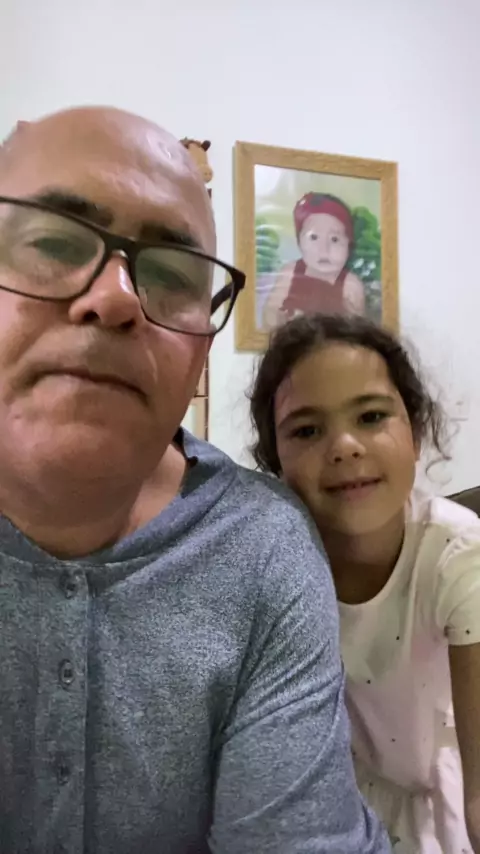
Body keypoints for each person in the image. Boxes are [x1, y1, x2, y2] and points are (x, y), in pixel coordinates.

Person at [0, 107, 391, 853]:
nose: (115, 296)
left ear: (202, 353)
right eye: (53, 242)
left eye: (173, 275)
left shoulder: (263, 551)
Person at [249, 311, 480, 853]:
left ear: (416, 433)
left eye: (372, 416)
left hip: (434, 791)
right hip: (329, 799)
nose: (345, 446)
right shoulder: (270, 563)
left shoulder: (457, 554)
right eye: (307, 430)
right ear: (276, 462)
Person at [262, 193, 365, 330]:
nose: (324, 249)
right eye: (313, 237)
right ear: (299, 241)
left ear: (349, 244)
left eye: (335, 239)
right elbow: (270, 312)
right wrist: (278, 321)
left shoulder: (351, 285)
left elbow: (358, 331)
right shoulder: (290, 273)